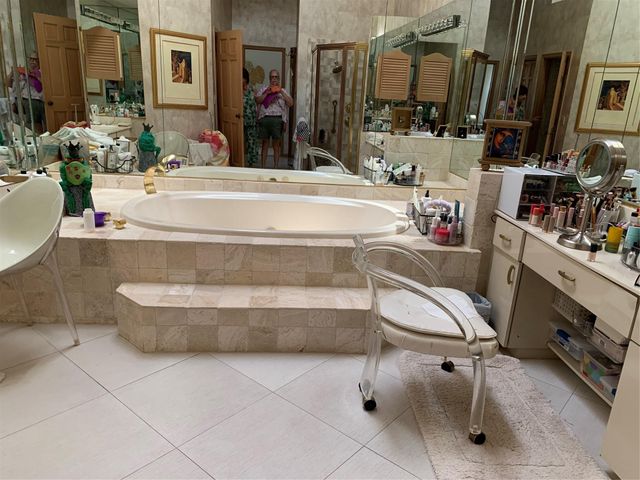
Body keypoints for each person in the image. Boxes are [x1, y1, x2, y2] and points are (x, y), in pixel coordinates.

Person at [255, 69, 293, 168]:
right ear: (269, 79)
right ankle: (263, 167)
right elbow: (258, 100)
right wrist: (267, 93)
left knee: (276, 145)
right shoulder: (264, 89)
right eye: (272, 77)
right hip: (265, 119)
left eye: (276, 77)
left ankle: (275, 168)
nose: (274, 79)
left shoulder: (283, 90)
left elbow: (290, 103)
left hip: (277, 120)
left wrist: (281, 92)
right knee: (265, 144)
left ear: (279, 79)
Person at [6, 54, 45, 133]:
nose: (33, 61)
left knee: (37, 124)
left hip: (37, 100)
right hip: (25, 101)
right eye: (31, 59)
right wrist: (12, 72)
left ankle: (40, 136)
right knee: (31, 124)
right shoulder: (24, 72)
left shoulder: (42, 71)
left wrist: (30, 75)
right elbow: (8, 84)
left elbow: (40, 87)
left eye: (35, 59)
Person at [242, 68, 258, 166]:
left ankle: (252, 163)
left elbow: (257, 103)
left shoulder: (252, 89)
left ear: (246, 78)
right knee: (240, 141)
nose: (241, 80)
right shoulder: (236, 89)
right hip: (240, 119)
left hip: (251, 119)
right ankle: (239, 162)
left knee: (251, 142)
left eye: (243, 78)